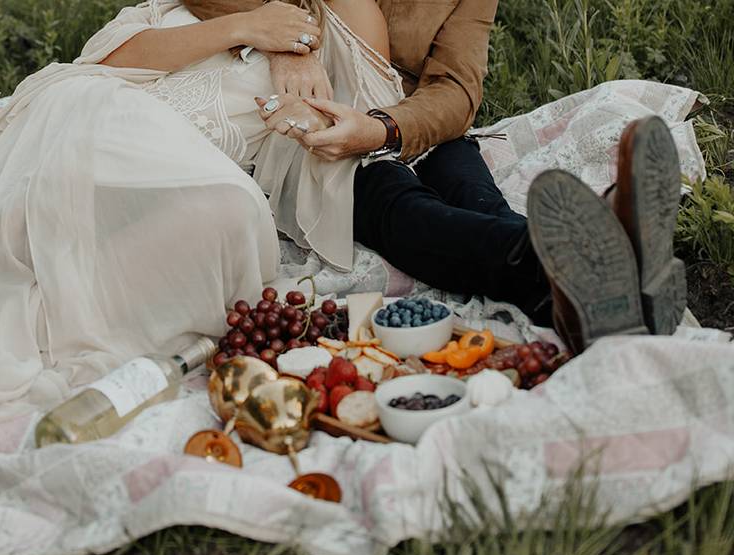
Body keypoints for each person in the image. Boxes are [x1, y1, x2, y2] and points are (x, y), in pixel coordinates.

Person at [0, 0, 411, 418]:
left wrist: (301, 79)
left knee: (235, 211)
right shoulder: (189, 11)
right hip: (98, 120)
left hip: (175, 177)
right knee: (68, 147)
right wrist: (250, 26)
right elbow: (105, 60)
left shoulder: (340, 21)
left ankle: (33, 271)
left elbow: (352, 122)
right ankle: (5, 248)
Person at [183, 0, 688, 350]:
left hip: (411, 121)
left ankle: (574, 298)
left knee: (478, 197)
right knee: (405, 207)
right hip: (328, 116)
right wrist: (290, 44)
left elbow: (456, 87)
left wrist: (385, 129)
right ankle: (594, 259)